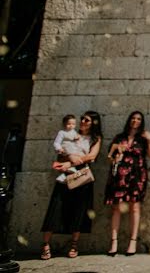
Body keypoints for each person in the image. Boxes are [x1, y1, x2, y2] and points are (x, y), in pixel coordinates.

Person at [39, 110, 103, 260]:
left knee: (79, 211)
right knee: (56, 207)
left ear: (93, 123)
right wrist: (69, 157)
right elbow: (60, 150)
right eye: (82, 119)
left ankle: (74, 244)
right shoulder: (70, 133)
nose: (82, 122)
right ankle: (46, 244)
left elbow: (92, 156)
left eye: (86, 120)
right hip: (65, 174)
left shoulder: (95, 138)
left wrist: (74, 160)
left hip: (81, 176)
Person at [104, 110, 150, 256]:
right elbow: (110, 157)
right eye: (133, 118)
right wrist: (116, 155)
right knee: (116, 208)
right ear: (129, 120)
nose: (135, 121)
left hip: (137, 175)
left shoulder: (142, 139)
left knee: (135, 207)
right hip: (119, 176)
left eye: (139, 119)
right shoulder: (119, 137)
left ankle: (132, 242)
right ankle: (113, 242)